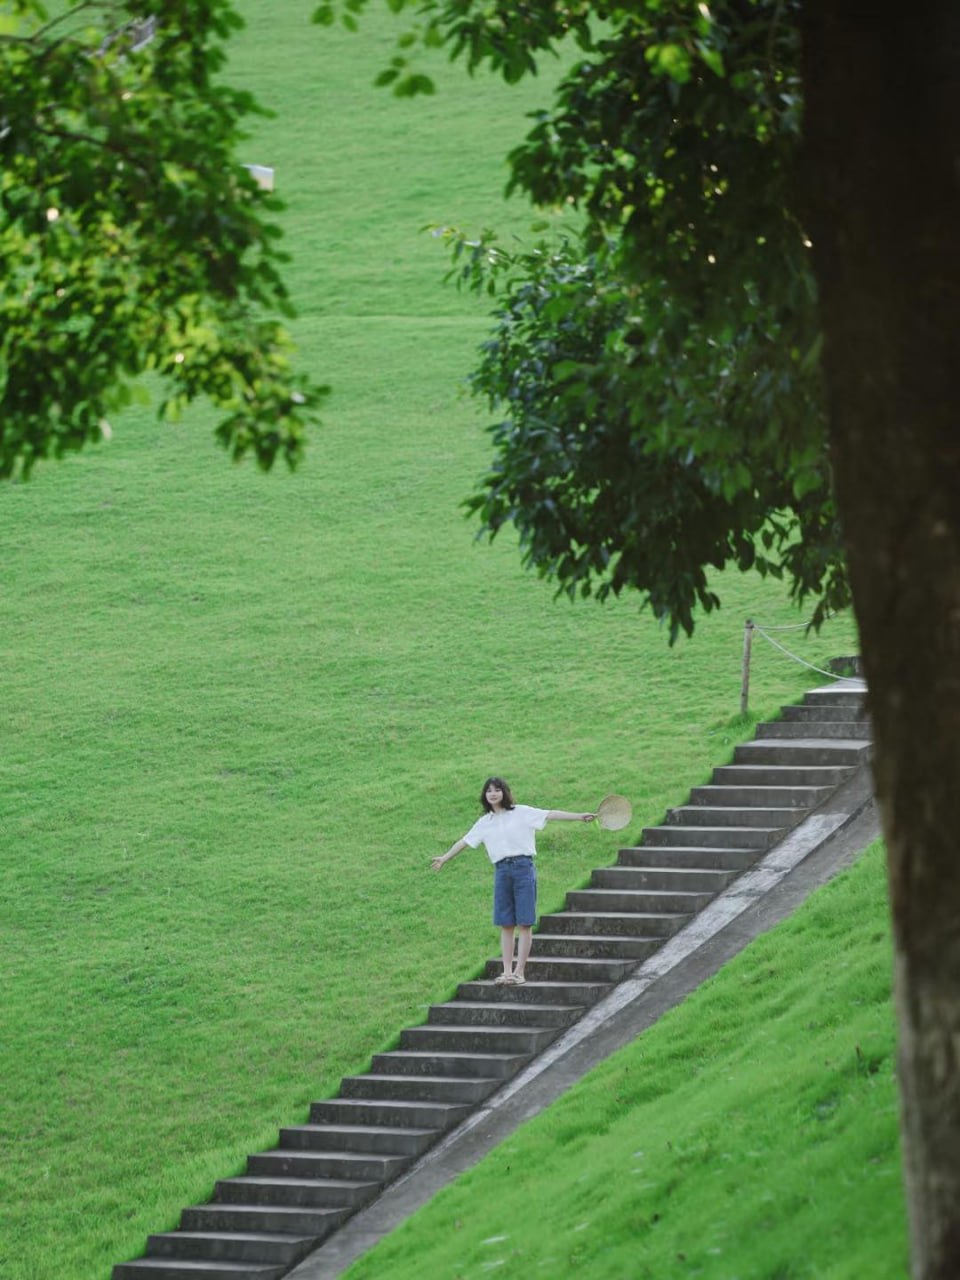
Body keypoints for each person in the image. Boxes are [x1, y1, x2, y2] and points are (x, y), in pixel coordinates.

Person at [431, 776, 595, 985]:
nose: (493, 794)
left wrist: (579, 816)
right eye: (489, 790)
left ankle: (519, 972)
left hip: (523, 869)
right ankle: (507, 972)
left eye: (497, 790)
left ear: (504, 792)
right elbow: (464, 841)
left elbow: (550, 814)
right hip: (502, 871)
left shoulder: (521, 812)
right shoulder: (485, 822)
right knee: (506, 923)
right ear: (484, 795)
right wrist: (444, 858)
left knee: (524, 922)